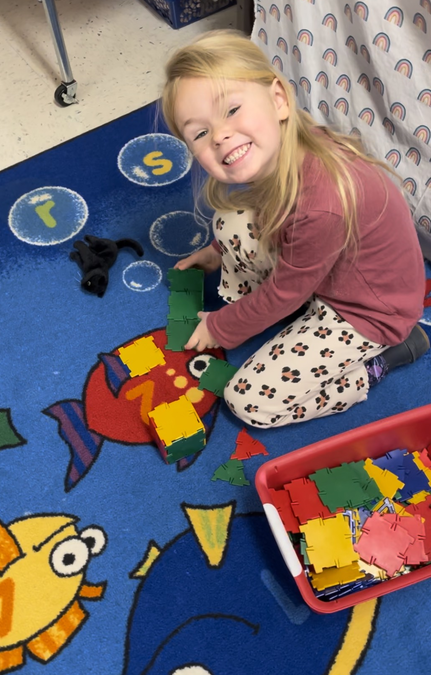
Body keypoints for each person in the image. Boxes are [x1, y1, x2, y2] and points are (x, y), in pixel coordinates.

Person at [161, 29, 428, 429]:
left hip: (367, 314)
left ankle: (380, 362)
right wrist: (218, 251)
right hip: (324, 272)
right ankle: (259, 308)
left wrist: (220, 326)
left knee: (247, 401)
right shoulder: (281, 151)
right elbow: (274, 219)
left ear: (279, 100)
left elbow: (285, 293)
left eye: (231, 110)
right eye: (199, 133)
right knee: (231, 222)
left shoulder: (323, 203)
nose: (219, 136)